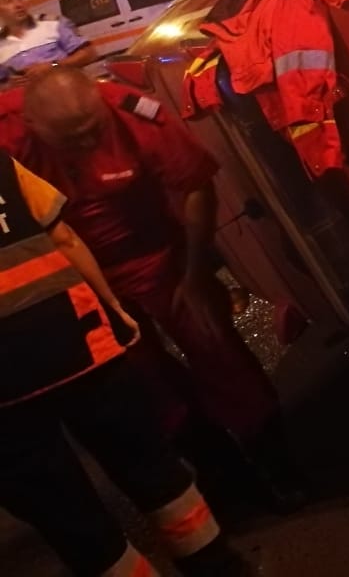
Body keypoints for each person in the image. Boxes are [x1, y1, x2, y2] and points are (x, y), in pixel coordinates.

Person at [0, 69, 304, 507]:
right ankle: (221, 474)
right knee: (142, 381)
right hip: (78, 273)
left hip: (156, 255)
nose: (88, 144)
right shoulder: (8, 132)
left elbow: (196, 186)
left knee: (217, 351)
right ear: (32, 124)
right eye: (72, 139)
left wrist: (196, 277)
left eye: (93, 131)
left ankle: (279, 466)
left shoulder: (130, 113)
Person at [0, 147, 248, 575]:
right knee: (149, 464)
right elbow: (64, 238)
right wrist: (112, 306)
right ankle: (218, 567)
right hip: (77, 342)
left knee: (64, 510)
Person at [0, 0, 96, 84]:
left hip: (69, 89)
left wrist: (54, 66)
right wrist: (8, 85)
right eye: (8, 1)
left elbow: (89, 54)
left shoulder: (53, 23)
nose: (18, 5)